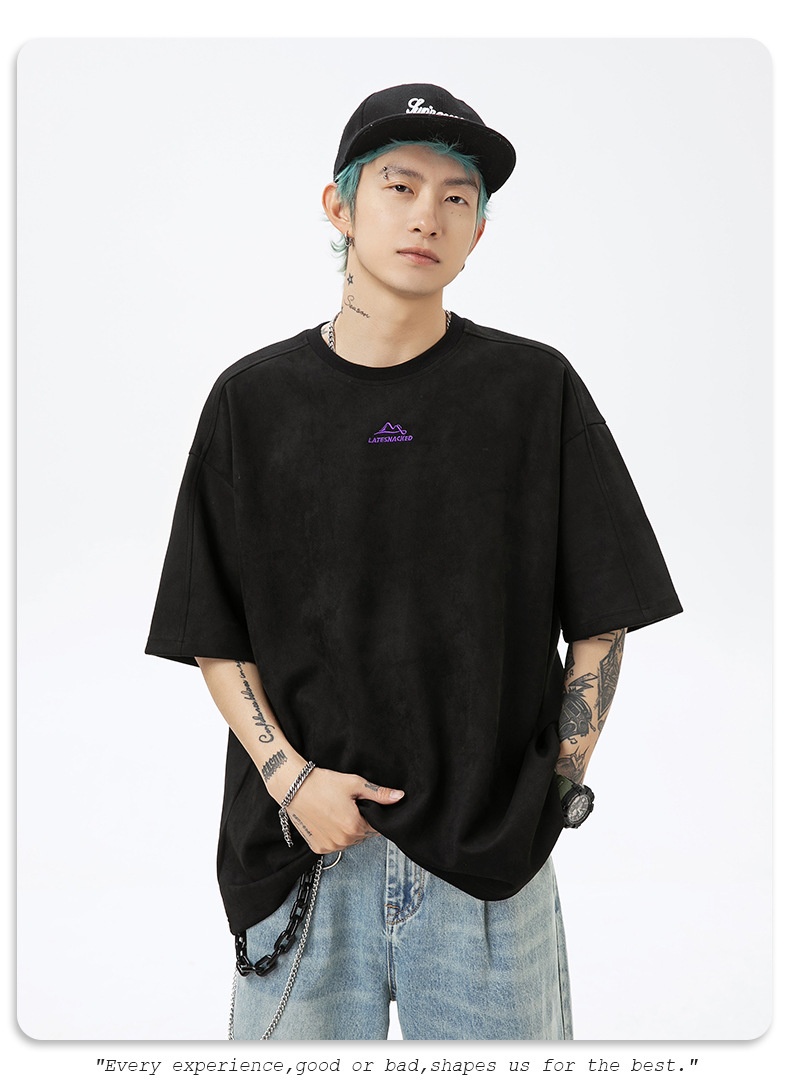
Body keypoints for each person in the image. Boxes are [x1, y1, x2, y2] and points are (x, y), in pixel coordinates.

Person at [145, 82, 682, 1041]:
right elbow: (212, 631)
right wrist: (291, 782)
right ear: (340, 206)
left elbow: (604, 616)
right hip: (301, 856)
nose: (427, 215)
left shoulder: (533, 391)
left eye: (457, 196)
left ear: (479, 232)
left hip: (489, 876)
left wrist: (548, 796)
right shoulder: (252, 402)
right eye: (399, 186)